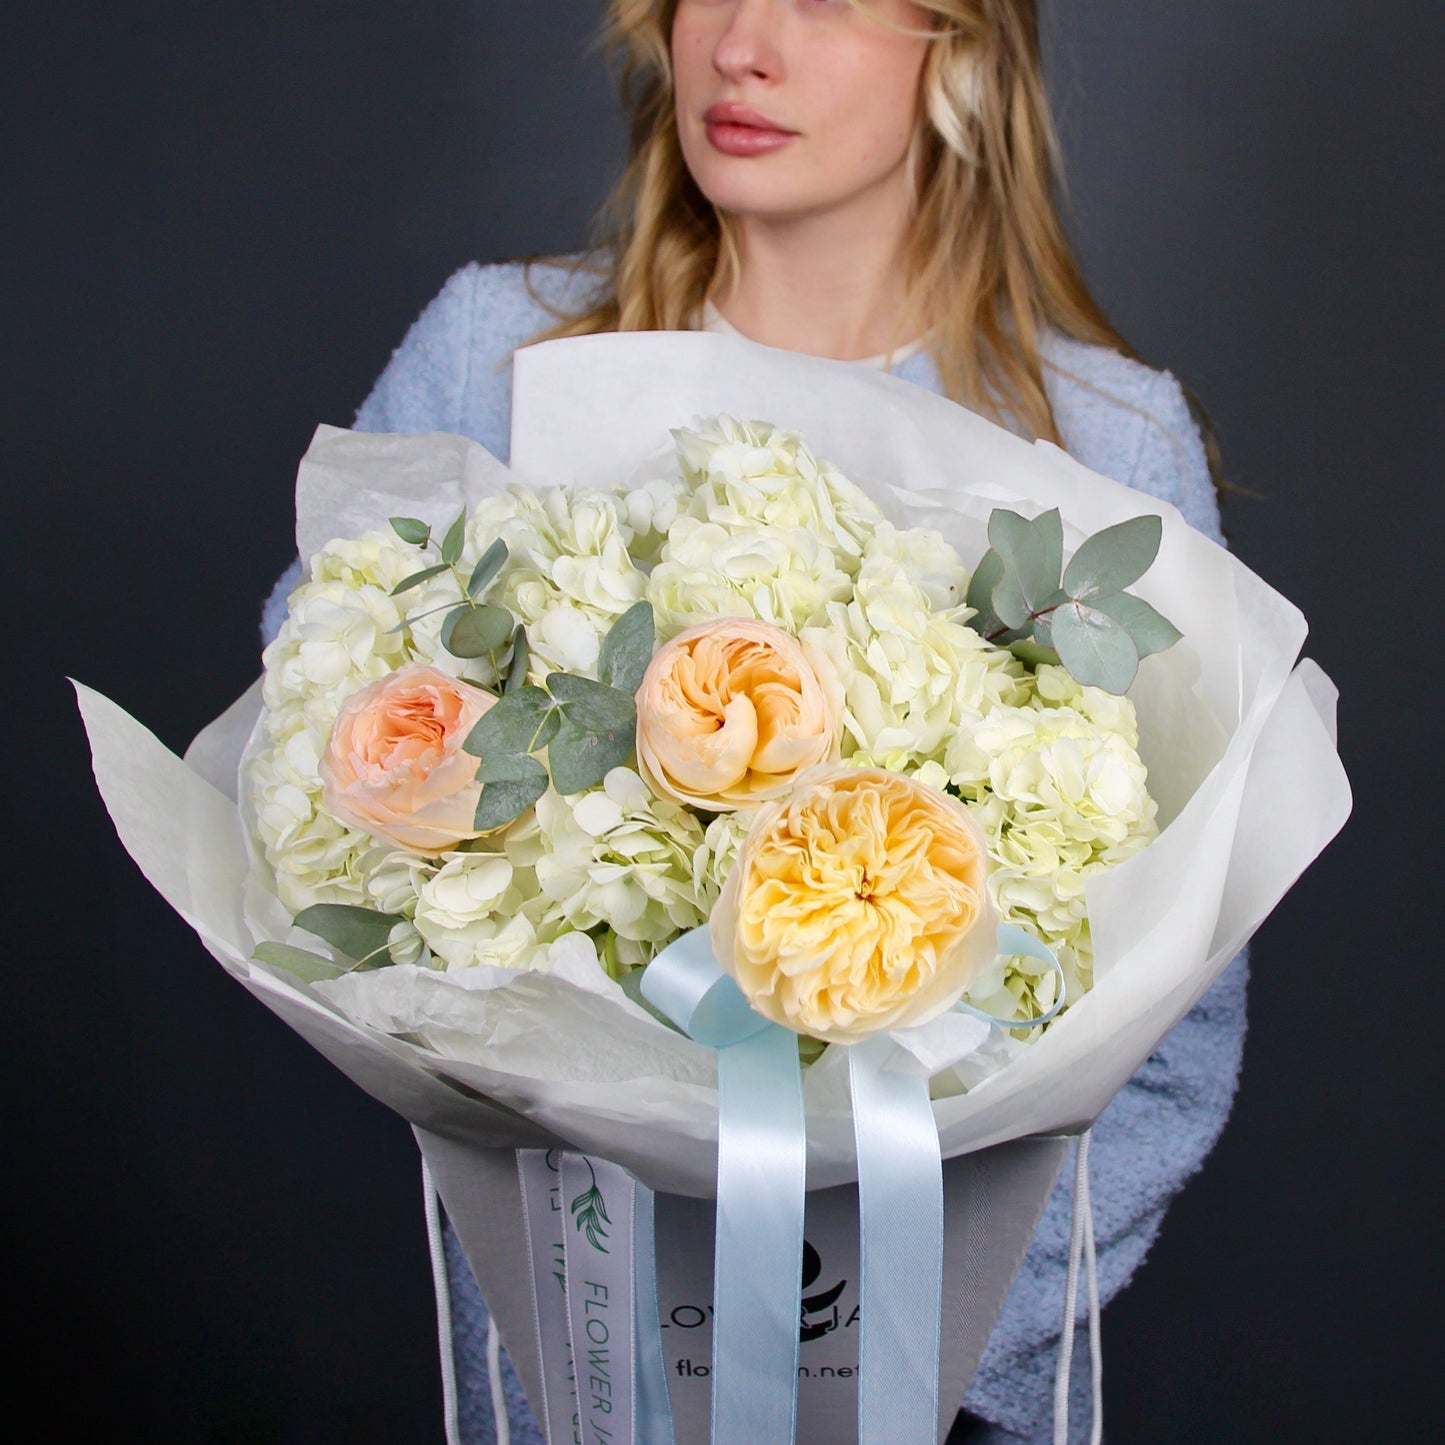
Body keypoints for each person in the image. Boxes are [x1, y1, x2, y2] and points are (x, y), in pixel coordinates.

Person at [263, 3, 1248, 1440]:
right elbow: (326, 813)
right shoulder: (500, 355)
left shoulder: (1109, 442)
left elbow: (1176, 1029)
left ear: (958, 47)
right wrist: (605, 1326)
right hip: (585, 1375)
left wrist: (884, 1354)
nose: (741, 44)